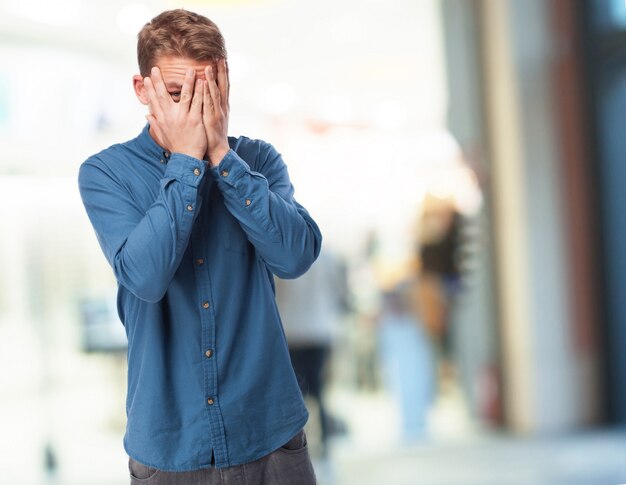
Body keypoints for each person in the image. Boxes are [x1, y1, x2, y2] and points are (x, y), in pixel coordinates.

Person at [77, 9, 322, 484]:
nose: (195, 110)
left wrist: (221, 159)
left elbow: (296, 257)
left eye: (207, 92)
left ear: (225, 86)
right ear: (141, 89)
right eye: (176, 94)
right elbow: (144, 277)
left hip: (270, 434)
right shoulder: (105, 174)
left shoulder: (257, 160)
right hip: (171, 448)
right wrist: (188, 161)